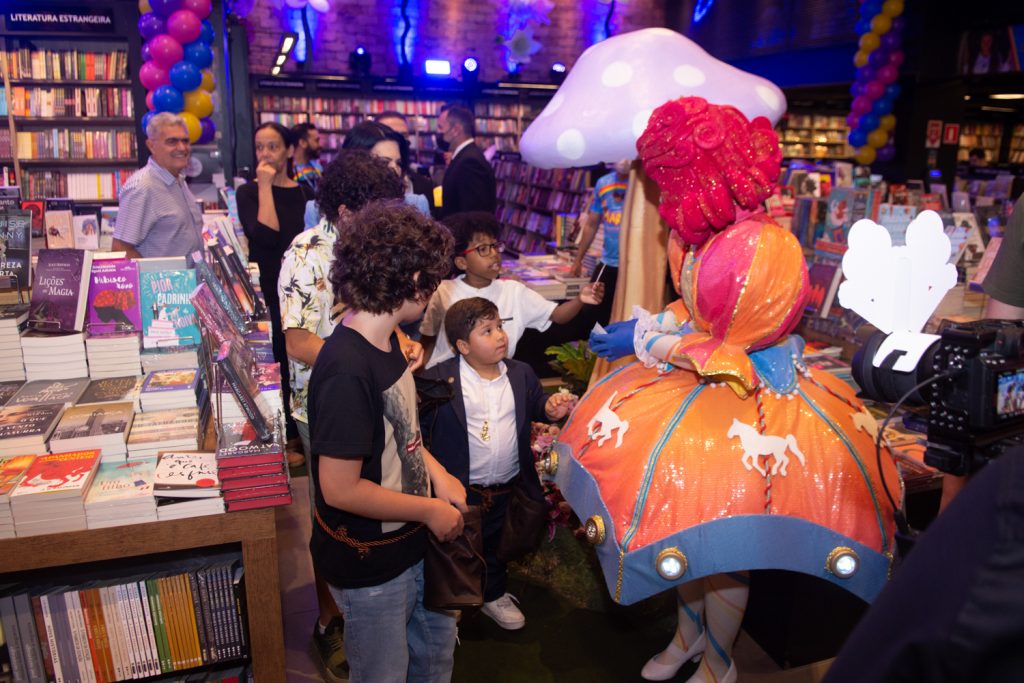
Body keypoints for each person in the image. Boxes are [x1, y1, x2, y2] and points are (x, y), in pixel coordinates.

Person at [560, 97, 900, 683]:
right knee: (687, 528)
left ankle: (720, 663)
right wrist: (656, 328)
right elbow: (695, 311)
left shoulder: (763, 246)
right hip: (695, 392)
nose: (664, 191)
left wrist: (649, 340)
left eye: (672, 176)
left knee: (724, 544)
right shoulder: (696, 233)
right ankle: (688, 638)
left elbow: (732, 349)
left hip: (748, 397)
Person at [307, 201, 467, 683]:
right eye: (432, 281)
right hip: (372, 564)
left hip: (410, 543)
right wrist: (430, 510)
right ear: (414, 280)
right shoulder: (346, 369)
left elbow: (401, 428)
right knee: (384, 671)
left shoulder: (388, 337)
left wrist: (437, 473)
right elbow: (340, 488)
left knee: (432, 658)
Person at [278, 150, 405, 683]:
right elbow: (297, 340)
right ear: (348, 210)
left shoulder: (373, 245)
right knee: (331, 515)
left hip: (378, 395)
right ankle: (329, 619)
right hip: (326, 404)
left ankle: (375, 607)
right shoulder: (306, 253)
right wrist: (361, 362)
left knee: (375, 500)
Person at [418, 297, 576, 630]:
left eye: (500, 326)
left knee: (496, 545)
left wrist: (550, 408)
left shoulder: (520, 373)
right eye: (487, 331)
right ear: (463, 346)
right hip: (462, 488)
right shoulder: (438, 379)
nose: (500, 335)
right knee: (456, 547)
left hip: (507, 485)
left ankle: (493, 594)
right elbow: (417, 429)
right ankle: (453, 601)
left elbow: (536, 403)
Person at [418, 211, 604, 369]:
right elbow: (428, 339)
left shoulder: (514, 291)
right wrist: (420, 373)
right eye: (483, 249)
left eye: (495, 246)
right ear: (461, 262)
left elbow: (558, 315)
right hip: (447, 379)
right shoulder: (443, 291)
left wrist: (580, 299)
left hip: (495, 378)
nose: (494, 254)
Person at [236, 122, 314, 467]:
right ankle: (280, 438)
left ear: (288, 151)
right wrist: (265, 185)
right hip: (266, 286)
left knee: (297, 355)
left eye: (273, 146)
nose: (265, 154)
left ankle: (300, 432)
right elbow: (266, 237)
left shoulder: (304, 193)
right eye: (260, 147)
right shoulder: (248, 193)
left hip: (298, 287)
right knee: (274, 360)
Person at [113, 112, 204, 260]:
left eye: (185, 141)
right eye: (172, 142)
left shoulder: (178, 180)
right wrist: (154, 274)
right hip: (166, 276)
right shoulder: (141, 188)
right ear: (151, 146)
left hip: (193, 275)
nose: (182, 148)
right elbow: (121, 249)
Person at [570, 159, 631, 326]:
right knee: (591, 314)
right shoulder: (603, 183)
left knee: (628, 317)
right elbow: (591, 224)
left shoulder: (644, 185)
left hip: (634, 266)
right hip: (608, 262)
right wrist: (578, 259)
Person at [343, 120, 430, 216]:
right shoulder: (339, 206)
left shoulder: (416, 205)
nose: (394, 169)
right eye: (384, 162)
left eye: (398, 163)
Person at [436, 104, 497, 218]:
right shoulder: (463, 157)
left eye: (440, 127)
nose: (438, 132)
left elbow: (474, 216)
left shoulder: (469, 162)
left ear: (456, 130)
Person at [375, 110, 436, 211]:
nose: (399, 140)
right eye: (391, 135)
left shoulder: (424, 185)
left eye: (404, 135)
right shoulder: (362, 189)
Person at [291, 122, 323, 192]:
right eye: (316, 140)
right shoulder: (289, 171)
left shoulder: (318, 167)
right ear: (303, 143)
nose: (320, 145)